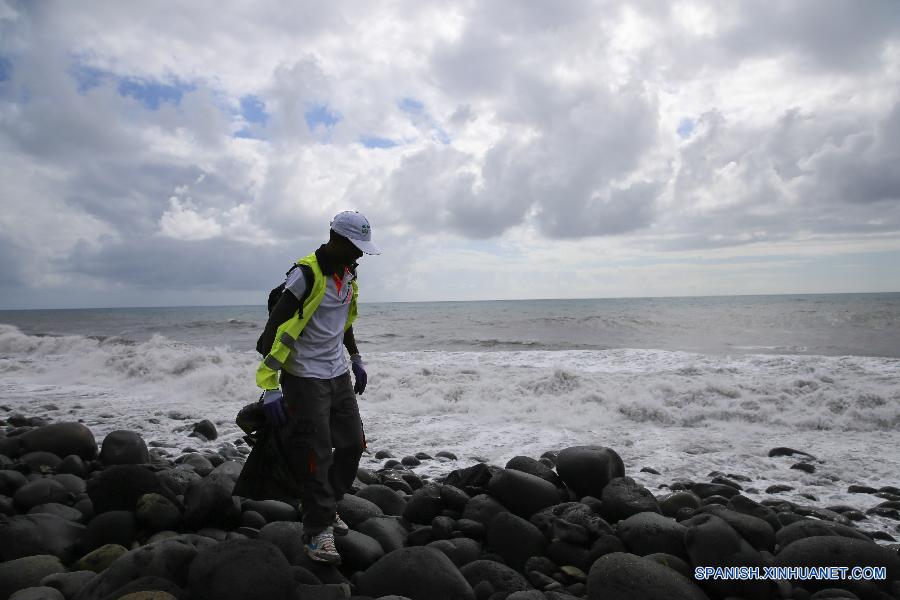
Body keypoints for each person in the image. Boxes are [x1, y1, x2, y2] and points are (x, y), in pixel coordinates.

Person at [238, 210, 379, 564]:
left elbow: (343, 321)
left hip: (337, 375)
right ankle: (317, 532)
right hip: (304, 377)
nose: (361, 254)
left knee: (352, 445)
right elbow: (268, 336)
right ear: (337, 239)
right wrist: (270, 387)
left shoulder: (349, 276)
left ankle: (324, 506)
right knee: (318, 454)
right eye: (356, 247)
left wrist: (356, 357)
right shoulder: (304, 275)